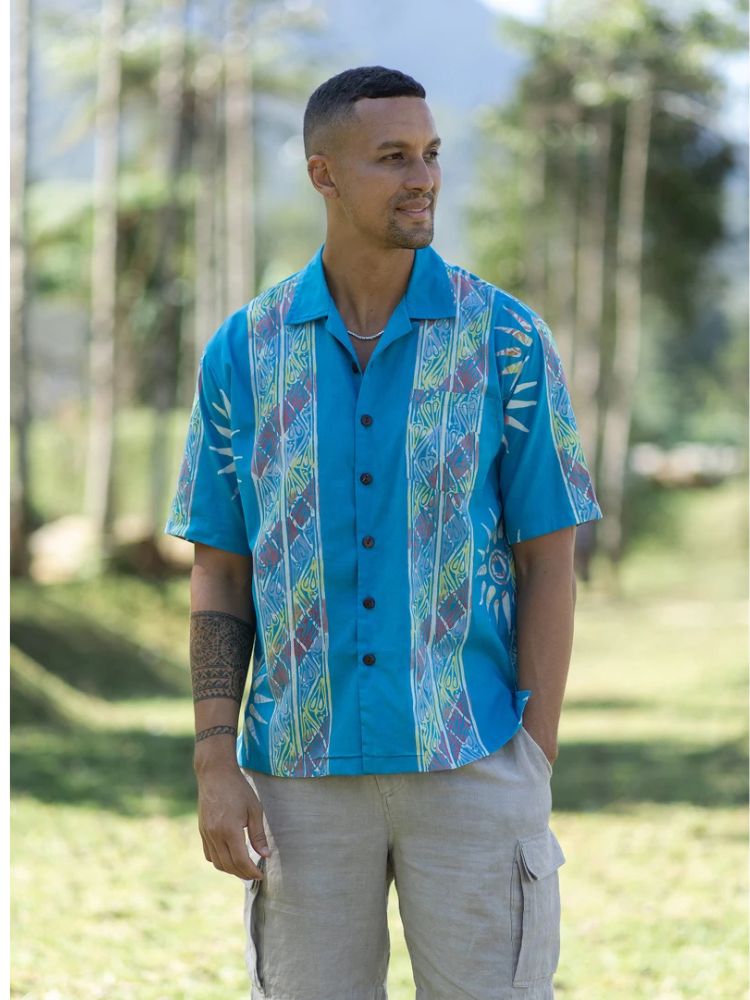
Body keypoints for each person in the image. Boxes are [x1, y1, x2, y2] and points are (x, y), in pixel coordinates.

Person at [165, 65, 602, 1000]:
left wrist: (533, 755)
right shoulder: (244, 350)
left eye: (432, 154)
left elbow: (549, 559)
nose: (424, 178)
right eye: (393, 157)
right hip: (300, 781)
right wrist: (213, 755)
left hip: (474, 761)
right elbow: (221, 572)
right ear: (324, 174)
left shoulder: (507, 341)